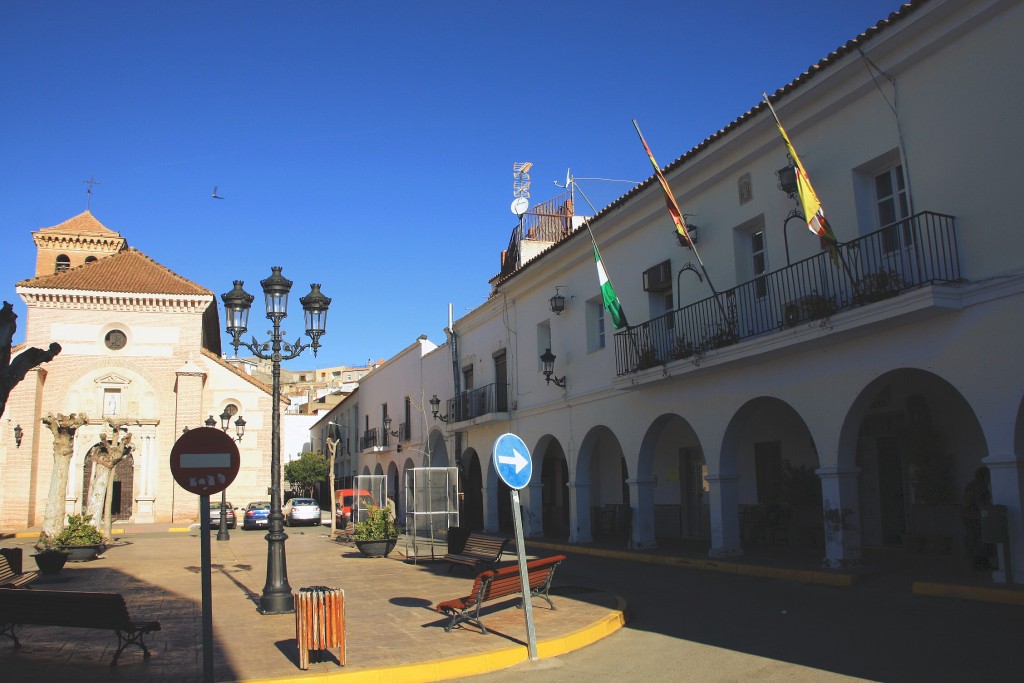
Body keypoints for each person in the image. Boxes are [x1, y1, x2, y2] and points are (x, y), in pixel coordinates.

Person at [961, 466, 994, 569]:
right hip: (976, 517)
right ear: (986, 476)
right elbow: (980, 502)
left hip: (969, 516)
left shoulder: (972, 484)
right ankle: (980, 562)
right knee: (981, 538)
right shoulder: (980, 485)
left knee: (974, 538)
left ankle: (977, 561)